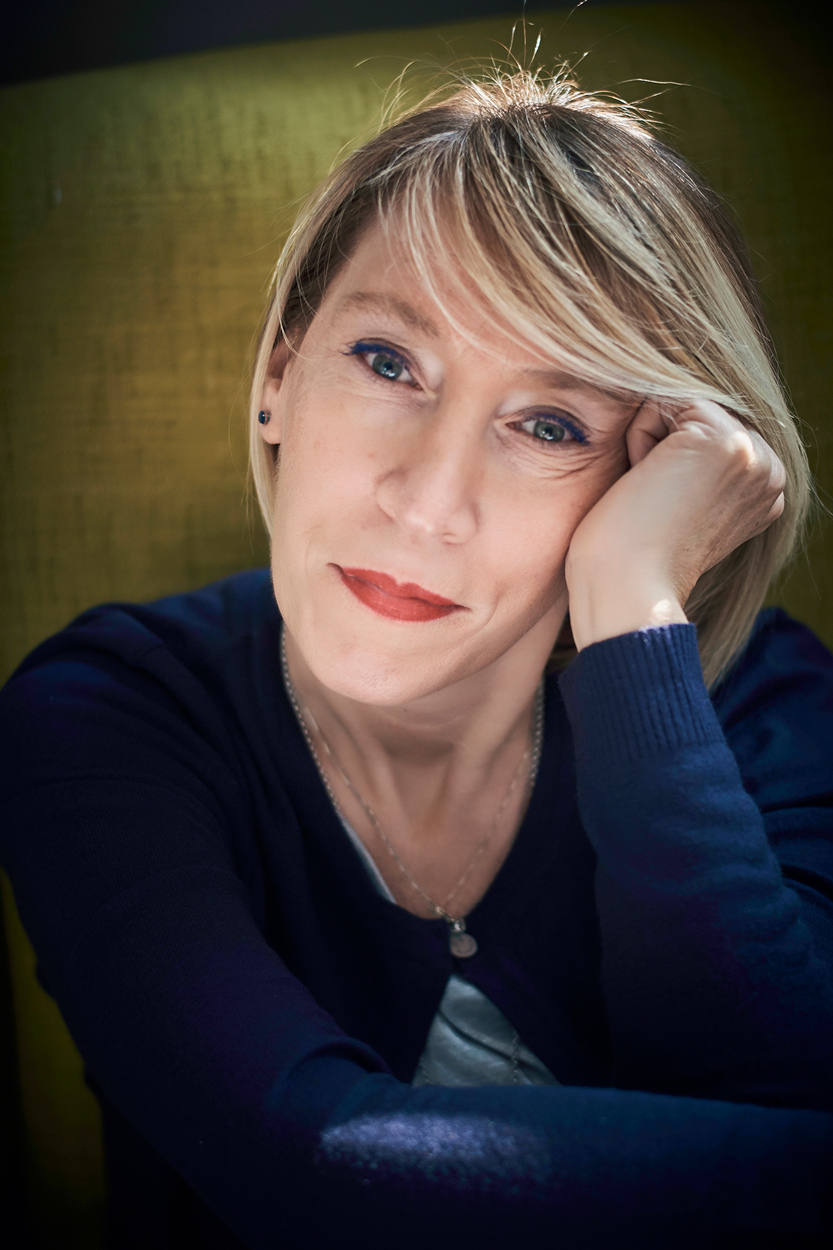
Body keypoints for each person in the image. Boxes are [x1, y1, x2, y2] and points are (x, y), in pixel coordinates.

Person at [1, 68, 832, 1248]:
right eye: (388, 361)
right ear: (279, 376)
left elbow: (772, 1080)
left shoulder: (761, 703)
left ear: (648, 475)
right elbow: (308, 1169)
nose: (428, 502)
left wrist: (631, 608)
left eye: (550, 425)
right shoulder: (105, 716)